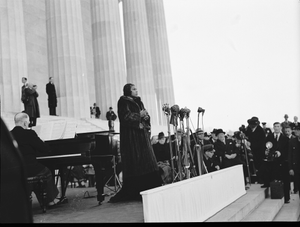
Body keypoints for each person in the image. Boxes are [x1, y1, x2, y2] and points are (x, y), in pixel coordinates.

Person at [108, 83, 162, 203]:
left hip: (142, 137)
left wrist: (146, 118)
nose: (136, 90)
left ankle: (152, 187)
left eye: (136, 88)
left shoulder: (139, 101)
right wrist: (139, 116)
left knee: (147, 161)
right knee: (137, 162)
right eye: (133, 89)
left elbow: (144, 115)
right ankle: (137, 190)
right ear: (128, 90)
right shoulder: (123, 101)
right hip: (132, 138)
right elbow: (125, 117)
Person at [10, 112, 60, 208]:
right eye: (28, 123)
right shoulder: (29, 133)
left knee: (37, 172)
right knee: (46, 172)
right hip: (30, 168)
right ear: (24, 123)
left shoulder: (9, 135)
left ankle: (42, 200)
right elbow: (44, 149)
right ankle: (49, 200)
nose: (28, 125)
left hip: (16, 170)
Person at [262, 122, 290, 203]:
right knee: (274, 179)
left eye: (278, 126)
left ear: (281, 127)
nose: (276, 128)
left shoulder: (285, 137)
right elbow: (266, 147)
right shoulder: (269, 137)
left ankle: (286, 198)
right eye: (275, 126)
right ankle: (276, 195)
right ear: (273, 127)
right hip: (272, 162)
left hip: (283, 162)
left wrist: (280, 153)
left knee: (285, 180)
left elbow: (287, 150)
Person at [244, 116, 266, 184]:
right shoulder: (249, 129)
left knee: (260, 165)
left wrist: (251, 144)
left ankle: (261, 179)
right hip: (253, 150)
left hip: (260, 150)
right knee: (256, 165)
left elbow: (260, 142)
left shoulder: (260, 130)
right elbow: (247, 135)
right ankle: (258, 178)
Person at [288, 125, 300, 196]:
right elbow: (290, 156)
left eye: (298, 130)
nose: (296, 131)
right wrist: (290, 168)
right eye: (295, 130)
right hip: (296, 168)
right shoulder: (292, 141)